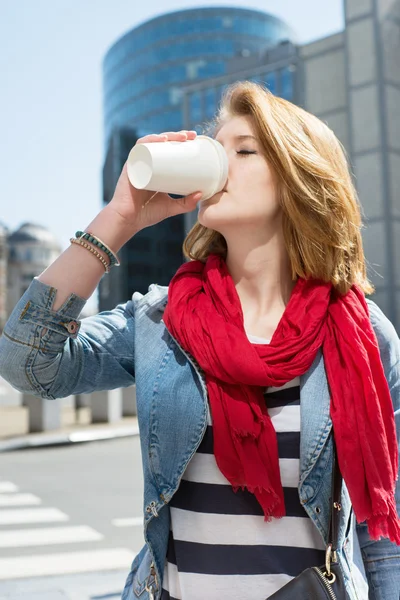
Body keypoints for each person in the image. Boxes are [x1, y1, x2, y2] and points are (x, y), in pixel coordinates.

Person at [0, 81, 399, 600]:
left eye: (244, 150)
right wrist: (118, 219)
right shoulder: (159, 320)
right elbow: (28, 361)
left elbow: (385, 537)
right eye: (216, 147)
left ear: (298, 177)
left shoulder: (362, 334)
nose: (220, 163)